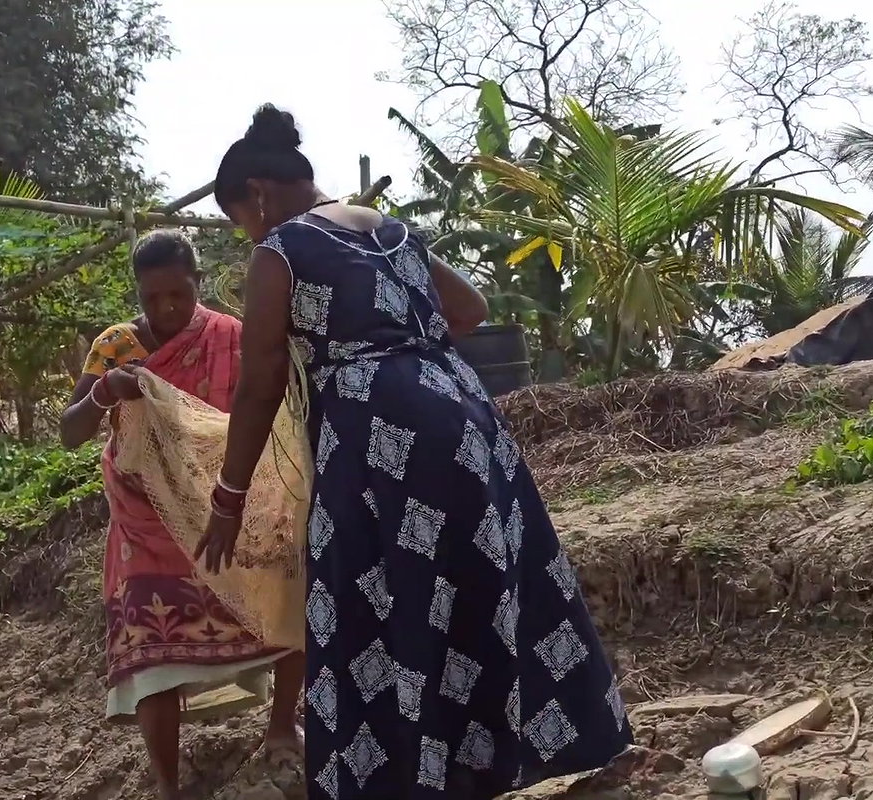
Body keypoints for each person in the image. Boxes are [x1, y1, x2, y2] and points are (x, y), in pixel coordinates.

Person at [194, 105, 632, 799]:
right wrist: (406, 344)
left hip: (378, 435)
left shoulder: (281, 250)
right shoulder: (392, 230)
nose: (248, 232)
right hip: (466, 416)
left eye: (240, 218)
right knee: (474, 579)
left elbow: (259, 383)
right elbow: (471, 309)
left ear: (258, 193)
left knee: (385, 595)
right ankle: (512, 753)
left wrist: (229, 497)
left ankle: (416, 778)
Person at [59, 229, 304, 800]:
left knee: (286, 601)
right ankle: (168, 785)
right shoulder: (116, 346)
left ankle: (280, 728)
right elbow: (70, 432)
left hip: (224, 506)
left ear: (198, 282)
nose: (167, 308)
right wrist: (104, 392)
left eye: (178, 294)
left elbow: (262, 410)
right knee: (152, 650)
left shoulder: (231, 337)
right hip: (146, 521)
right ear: (137, 294)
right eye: (153, 298)